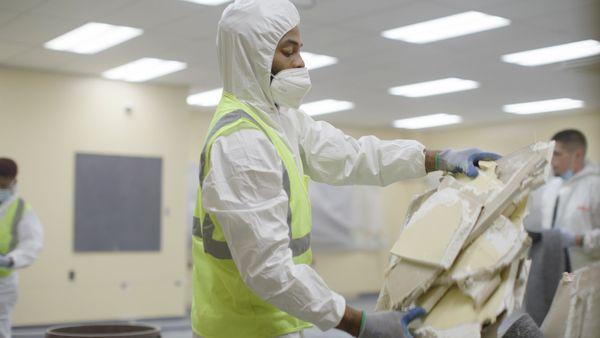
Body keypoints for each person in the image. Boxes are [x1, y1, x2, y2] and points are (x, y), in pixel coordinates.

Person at [191, 1, 500, 337]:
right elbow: (269, 271)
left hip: (273, 322)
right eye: (287, 51)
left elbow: (351, 156)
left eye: (299, 50)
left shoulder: (281, 120)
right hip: (242, 329)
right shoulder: (243, 143)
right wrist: (359, 323)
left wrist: (435, 158)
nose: (300, 62)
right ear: (253, 56)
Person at [525, 129, 600, 271]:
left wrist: (580, 240)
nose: (551, 161)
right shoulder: (553, 185)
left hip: (587, 272)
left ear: (577, 155)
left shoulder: (595, 186)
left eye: (557, 154)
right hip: (554, 269)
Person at [0, 158, 43, 338]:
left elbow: (32, 243)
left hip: (3, 282)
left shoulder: (20, 209)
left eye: (3, 185)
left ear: (13, 181)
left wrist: (10, 260)